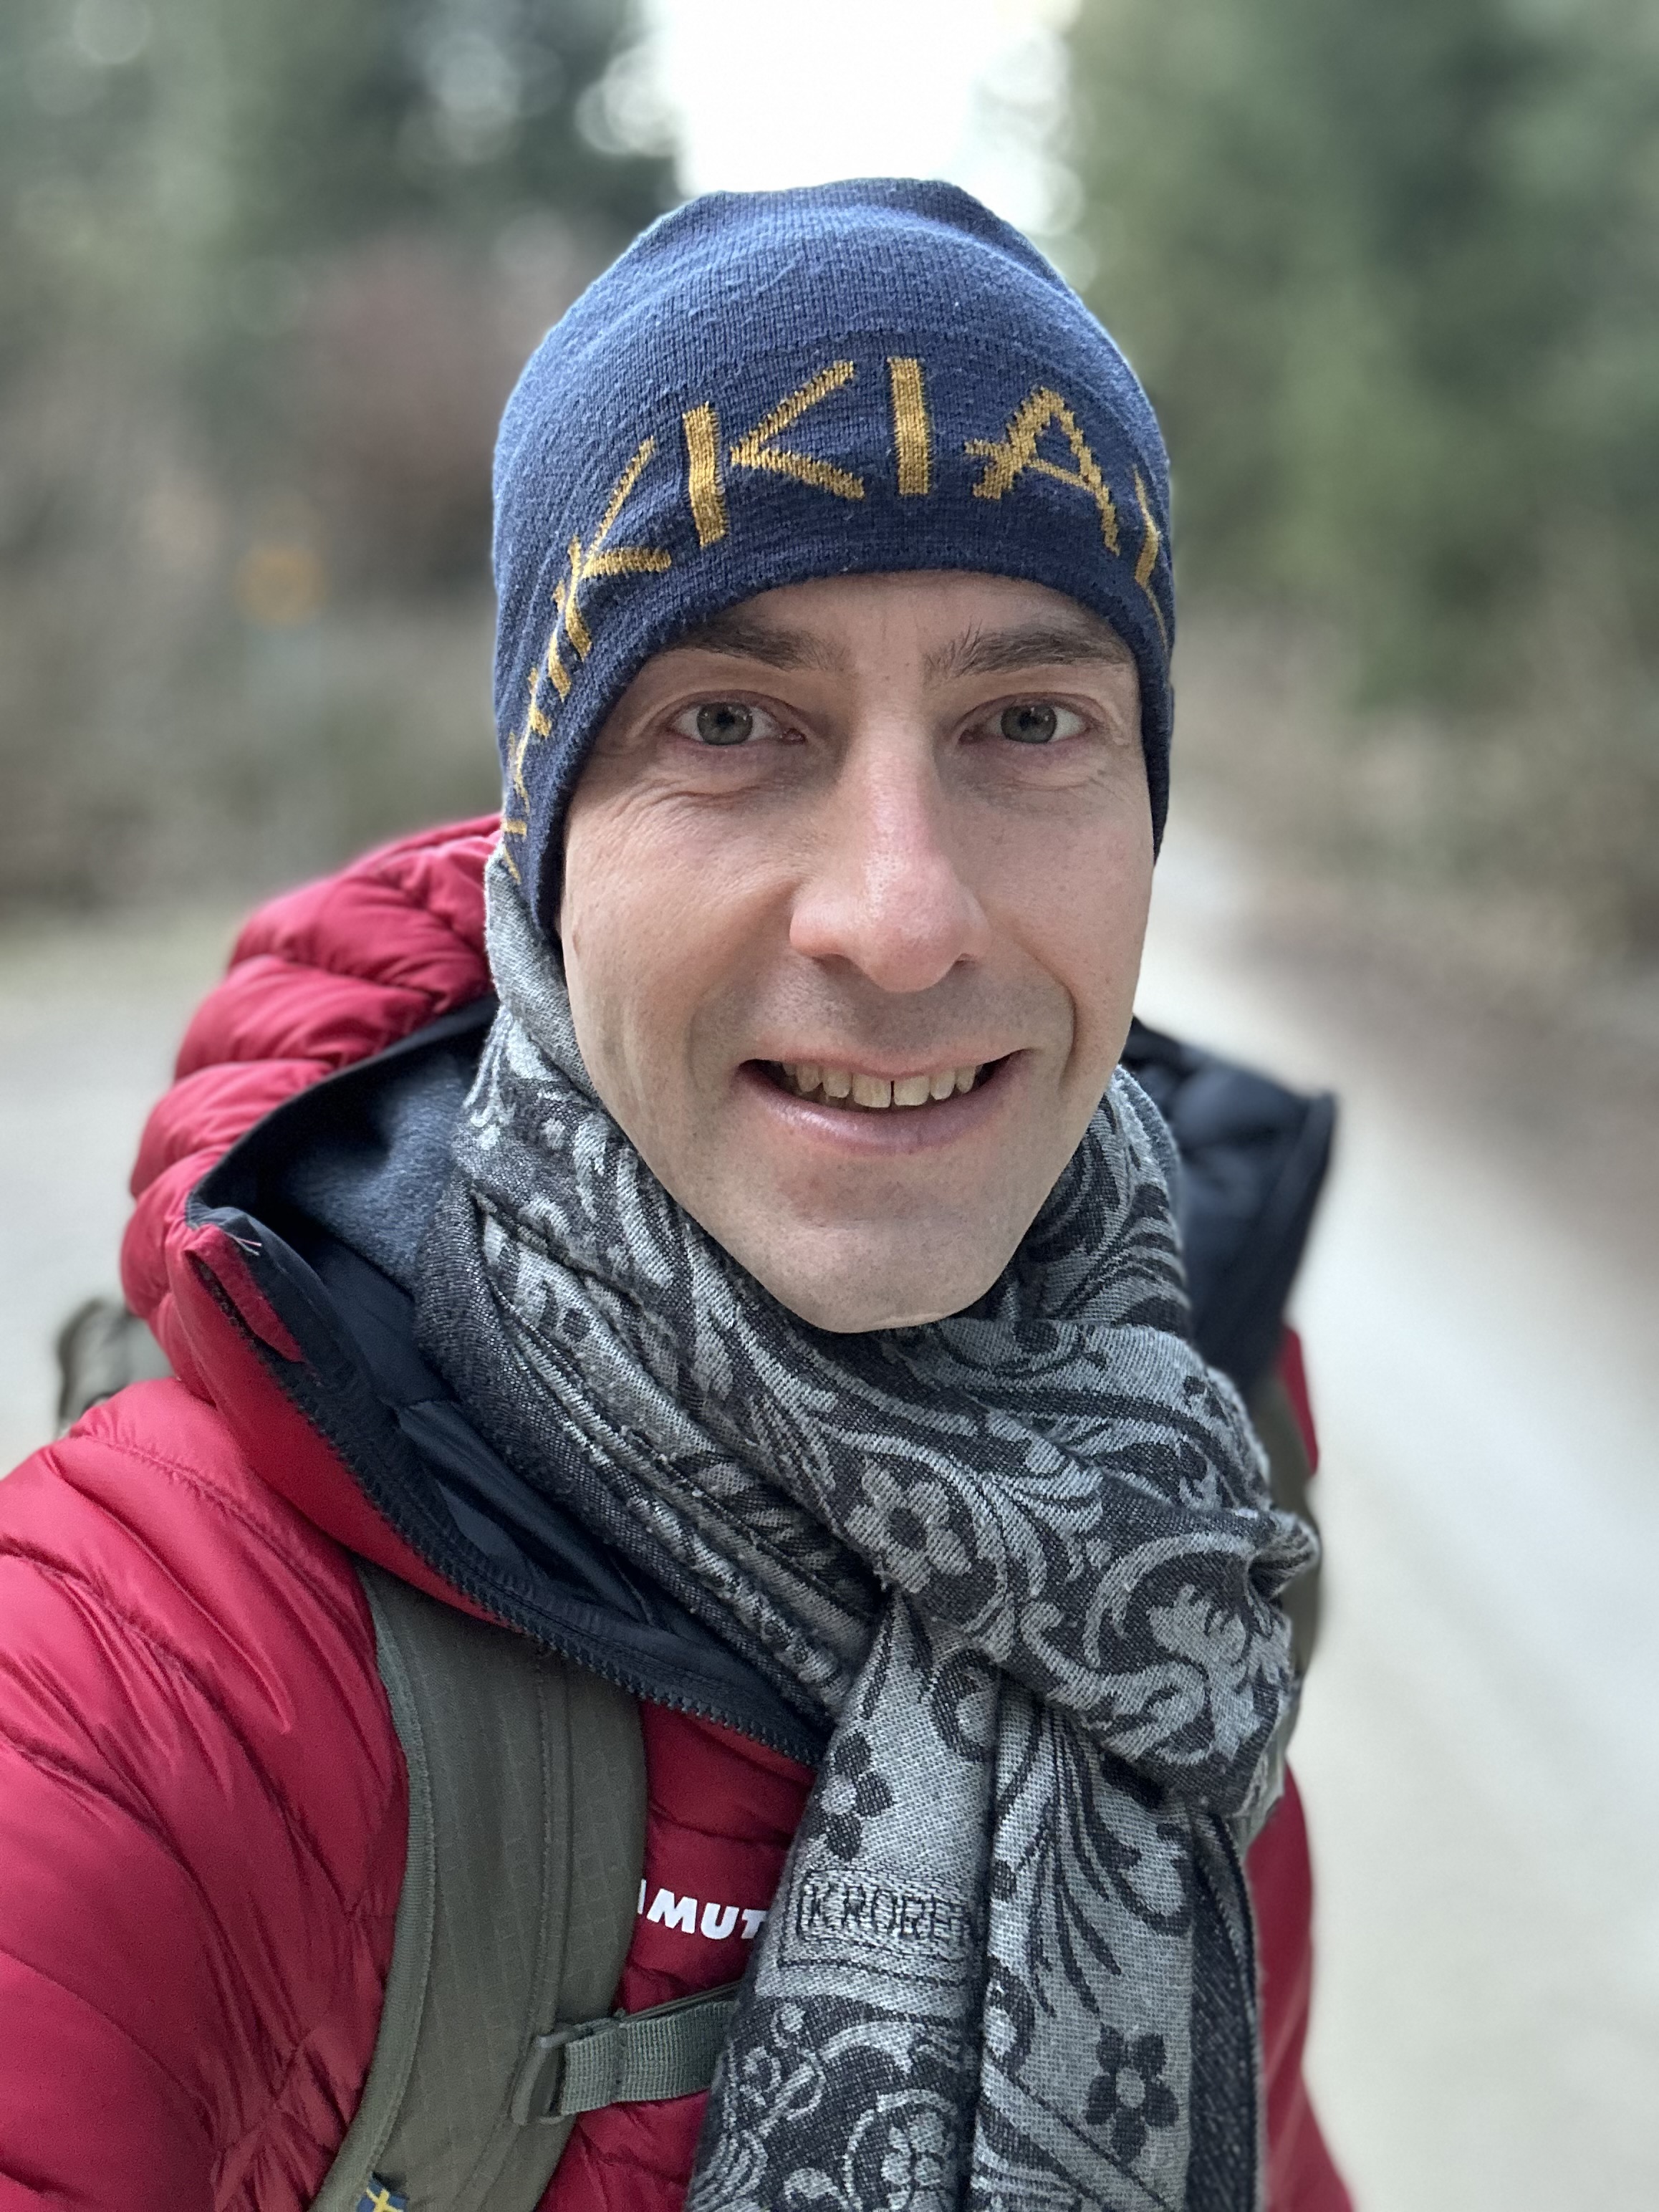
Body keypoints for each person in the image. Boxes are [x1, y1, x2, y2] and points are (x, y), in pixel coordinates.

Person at [0, 181, 1349, 2211]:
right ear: (546, 850)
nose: (900, 915)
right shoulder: (149, 1674)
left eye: (1027, 721)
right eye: (727, 723)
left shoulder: (1170, 1473)